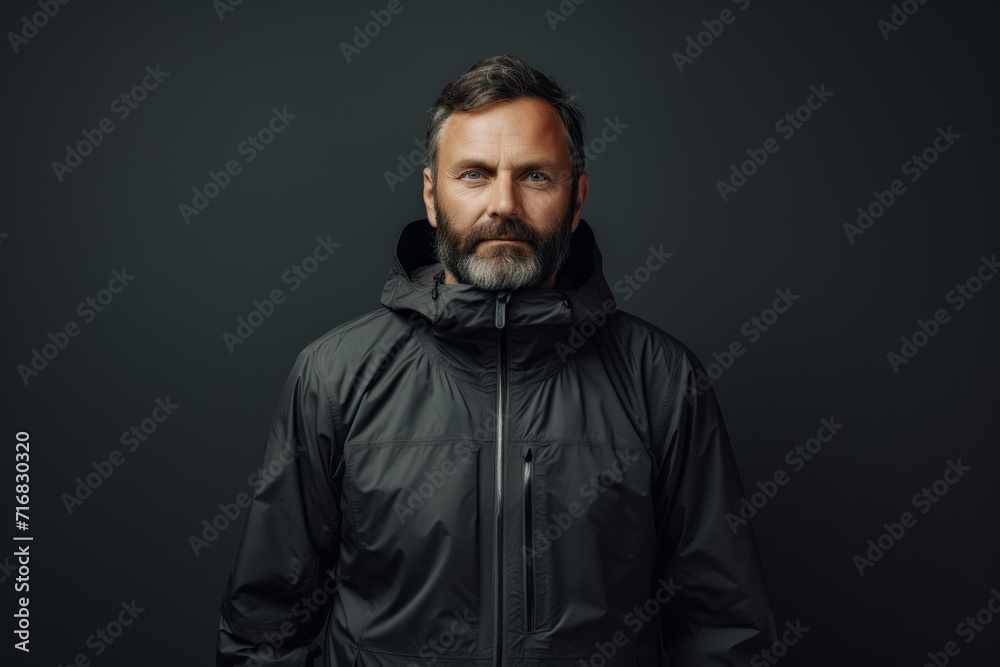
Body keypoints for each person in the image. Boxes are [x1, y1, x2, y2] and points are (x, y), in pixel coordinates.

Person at [217, 54, 775, 667]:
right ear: (432, 196)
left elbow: (724, 628)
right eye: (475, 174)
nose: (503, 203)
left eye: (535, 176)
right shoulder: (333, 376)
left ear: (577, 197)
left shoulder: (662, 381)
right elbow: (266, 627)